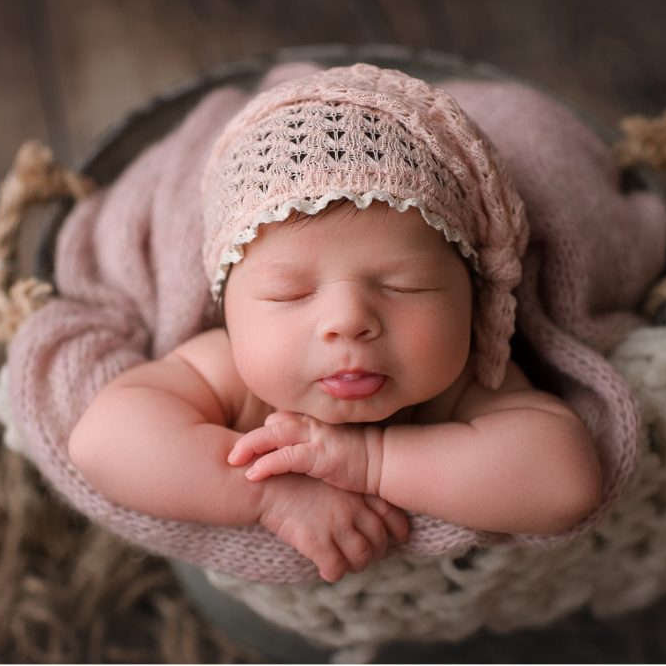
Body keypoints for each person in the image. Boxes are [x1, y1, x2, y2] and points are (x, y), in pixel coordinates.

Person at [67, 64, 602, 583]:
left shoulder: (465, 381)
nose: (348, 322)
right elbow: (103, 440)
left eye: (404, 286)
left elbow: (565, 483)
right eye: (289, 293)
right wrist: (268, 496)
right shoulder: (226, 370)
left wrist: (373, 462)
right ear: (227, 307)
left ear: (473, 299)